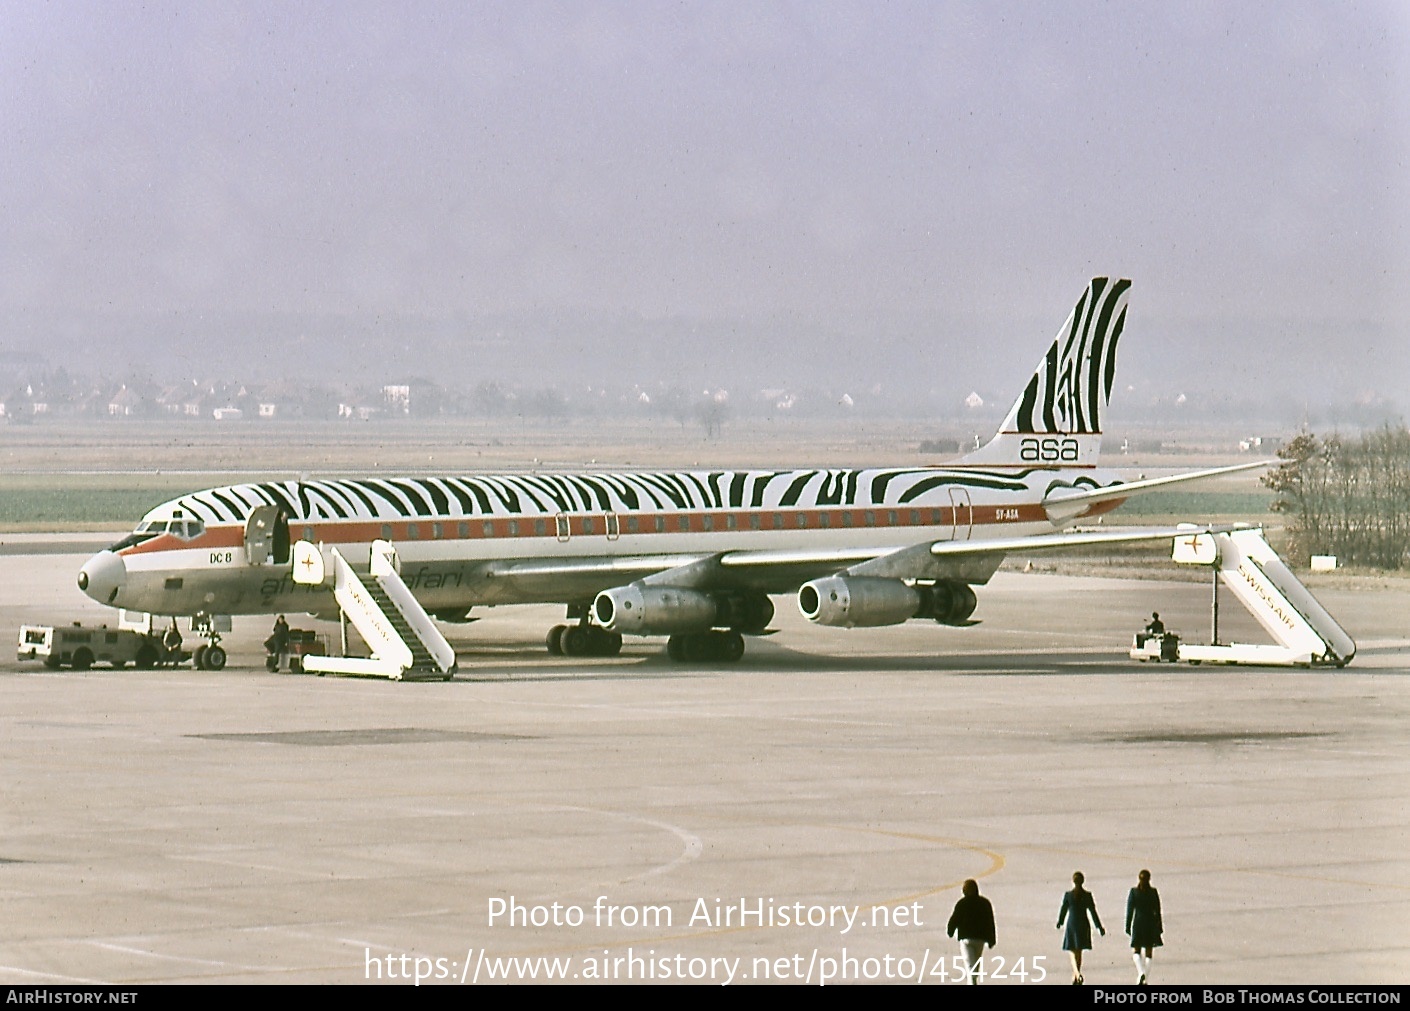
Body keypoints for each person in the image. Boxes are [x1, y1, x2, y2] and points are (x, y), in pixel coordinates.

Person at [1057, 871, 1104, 984]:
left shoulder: (1068, 895)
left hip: (1072, 924)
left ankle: (1077, 974)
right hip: (1083, 924)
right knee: (1079, 952)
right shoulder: (1087, 895)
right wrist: (1099, 927)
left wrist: (1060, 922)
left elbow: (1063, 910)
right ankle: (1075, 977)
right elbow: (1093, 912)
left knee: (1072, 952)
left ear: (1073, 881)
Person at [946, 879, 995, 985]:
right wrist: (992, 939)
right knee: (974, 967)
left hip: (966, 939)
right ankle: (973, 981)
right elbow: (990, 921)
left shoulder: (962, 904)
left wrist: (950, 931)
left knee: (970, 966)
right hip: (980, 940)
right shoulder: (985, 903)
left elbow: (954, 919)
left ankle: (972, 981)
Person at [1126, 869, 1163, 984]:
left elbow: (1129, 910)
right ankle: (1144, 978)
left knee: (1136, 950)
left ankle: (1141, 973)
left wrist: (1127, 925)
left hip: (1138, 923)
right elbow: (1157, 911)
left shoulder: (1134, 892)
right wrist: (1159, 926)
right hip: (1150, 924)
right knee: (1149, 951)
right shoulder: (1153, 892)